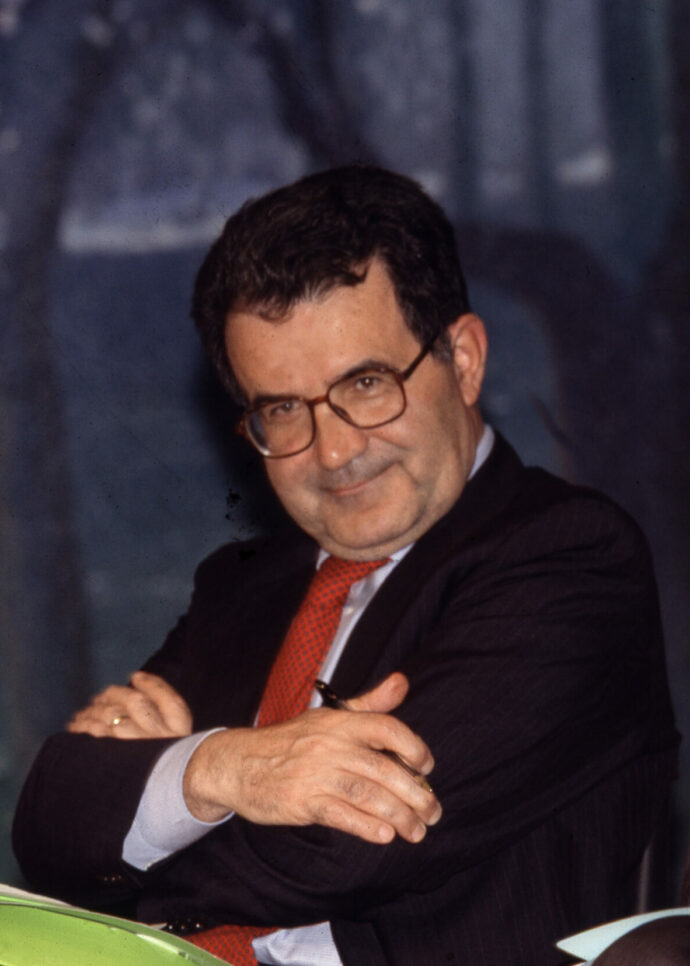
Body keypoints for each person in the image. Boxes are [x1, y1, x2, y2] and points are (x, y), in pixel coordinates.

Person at [12, 166, 679, 966]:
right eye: (282, 409)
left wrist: (148, 816)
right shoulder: (240, 584)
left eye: (365, 384)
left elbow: (347, 846)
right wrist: (223, 769)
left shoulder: (567, 557)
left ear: (464, 360)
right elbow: (48, 827)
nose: (333, 452)